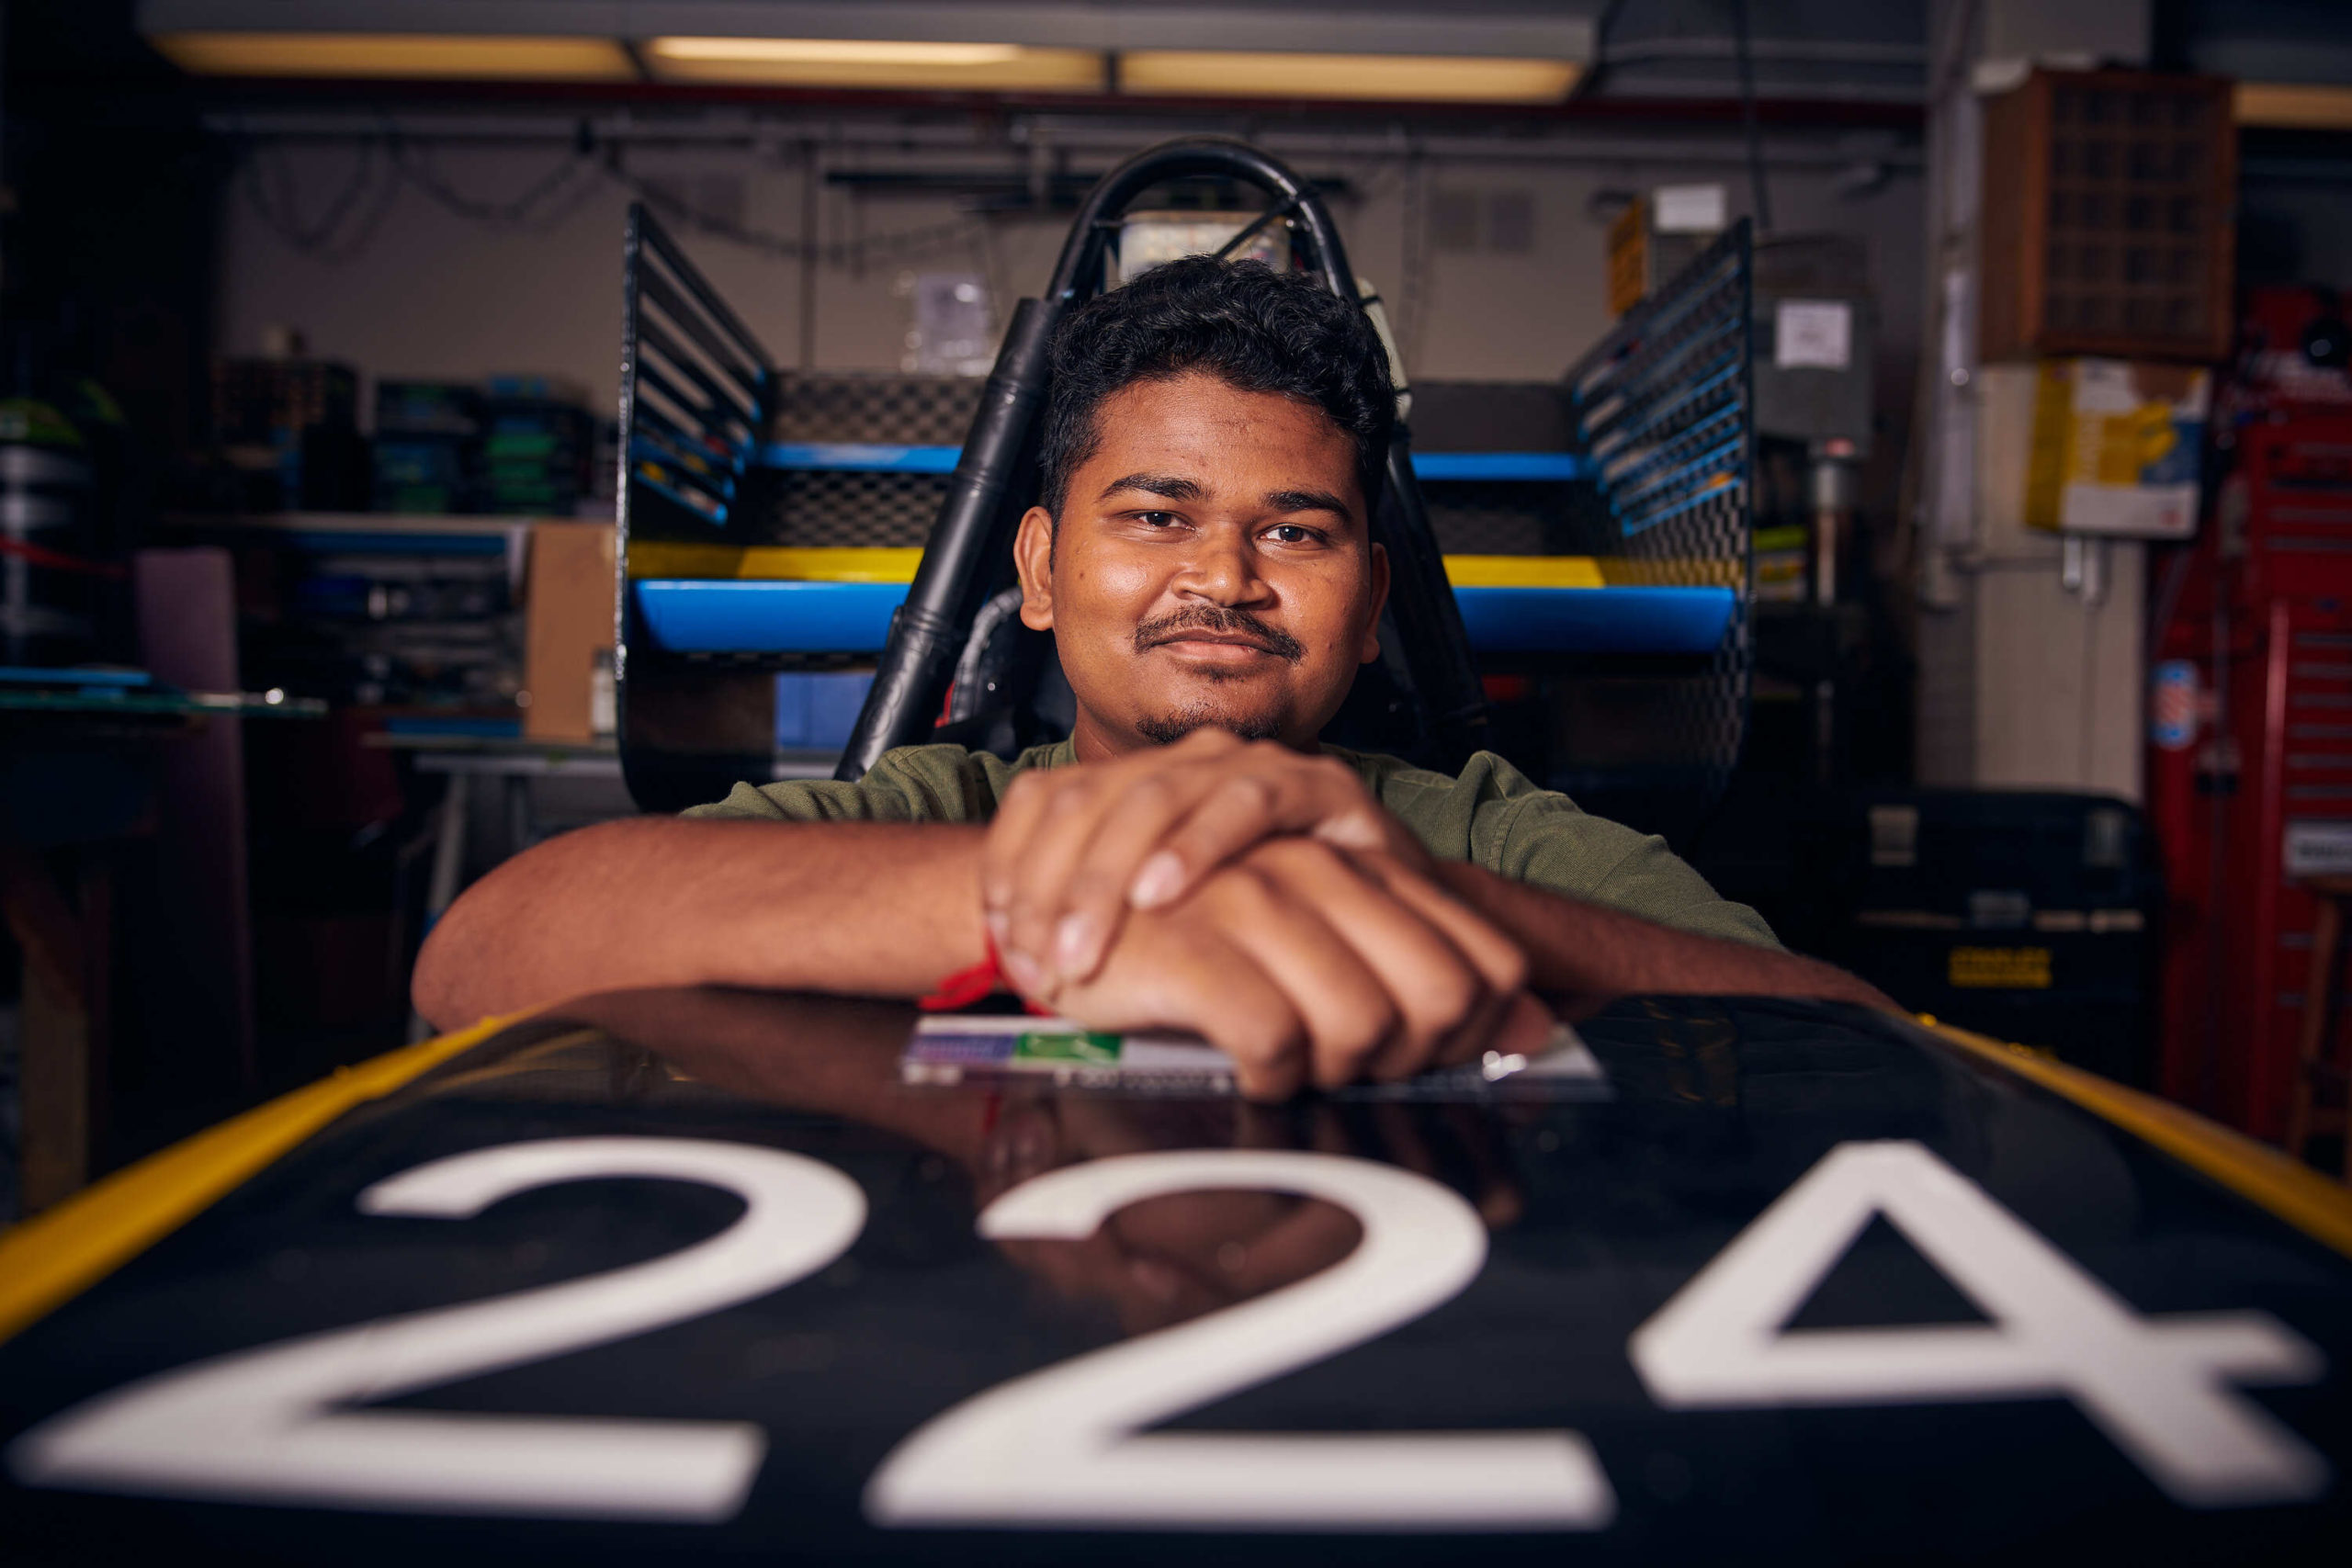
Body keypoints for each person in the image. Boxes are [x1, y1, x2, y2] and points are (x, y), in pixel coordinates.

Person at [414, 256, 1891, 1096]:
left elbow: (1849, 1036)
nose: (1227, 578)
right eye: (1158, 515)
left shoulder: (1495, 839)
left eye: (1295, 532)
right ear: (1045, 573)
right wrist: (1040, 914)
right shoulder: (931, 814)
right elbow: (475, 955)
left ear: (1370, 605)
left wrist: (1418, 906)